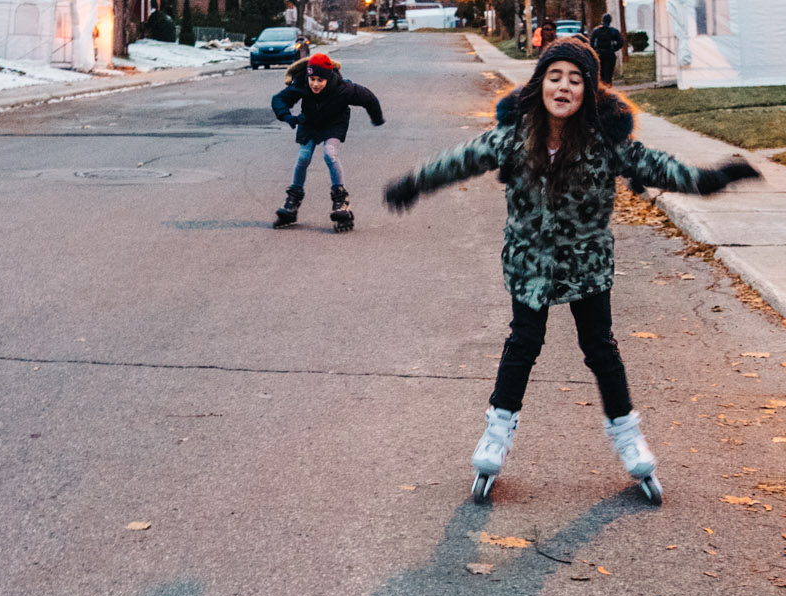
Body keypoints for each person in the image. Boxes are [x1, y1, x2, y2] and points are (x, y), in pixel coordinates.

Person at [381, 37, 760, 504]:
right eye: (554, 77)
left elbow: (660, 167)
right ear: (540, 84)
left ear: (589, 92)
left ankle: (629, 439)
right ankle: (495, 437)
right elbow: (461, 159)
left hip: (586, 265)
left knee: (600, 348)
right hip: (530, 264)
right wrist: (416, 183)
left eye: (575, 80)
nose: (563, 87)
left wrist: (712, 178)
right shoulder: (514, 136)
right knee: (523, 344)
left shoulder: (606, 143)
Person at [271, 52, 384, 232]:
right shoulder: (301, 83)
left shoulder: (343, 88)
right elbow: (279, 99)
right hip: (309, 123)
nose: (315, 84)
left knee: (330, 154)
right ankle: (292, 201)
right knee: (303, 157)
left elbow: (368, 98)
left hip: (334, 123)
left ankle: (341, 200)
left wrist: (377, 118)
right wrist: (287, 116)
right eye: (312, 78)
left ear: (328, 78)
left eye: (320, 80)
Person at [589, 13, 624, 86]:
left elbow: (591, 43)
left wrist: (595, 51)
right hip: (610, 55)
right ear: (610, 21)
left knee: (600, 74)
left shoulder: (596, 31)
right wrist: (614, 48)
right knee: (609, 74)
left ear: (602, 20)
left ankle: (601, 88)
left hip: (599, 55)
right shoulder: (614, 31)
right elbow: (620, 43)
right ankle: (608, 86)